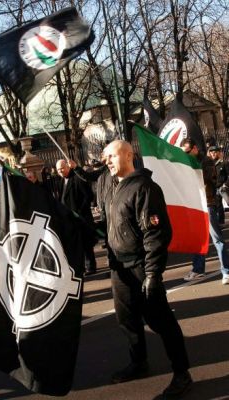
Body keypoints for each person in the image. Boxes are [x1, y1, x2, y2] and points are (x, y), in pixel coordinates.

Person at [102, 140, 192, 398]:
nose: (106, 160)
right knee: (127, 320)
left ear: (129, 155)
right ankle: (139, 362)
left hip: (141, 266)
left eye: (112, 155)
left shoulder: (144, 187)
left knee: (161, 321)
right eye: (105, 156)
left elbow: (155, 234)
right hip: (119, 269)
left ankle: (182, 374)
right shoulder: (115, 187)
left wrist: (153, 273)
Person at [180, 138, 229, 285]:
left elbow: (210, 179)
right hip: (196, 204)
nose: (186, 155)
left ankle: (226, 271)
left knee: (216, 238)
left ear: (195, 149)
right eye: (184, 153)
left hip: (207, 203)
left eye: (188, 152)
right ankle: (198, 270)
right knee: (198, 239)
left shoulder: (206, 161)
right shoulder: (189, 161)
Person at [56, 159, 97, 275]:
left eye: (62, 168)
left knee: (86, 244)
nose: (60, 171)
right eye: (58, 170)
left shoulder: (77, 178)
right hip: (69, 219)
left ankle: (90, 266)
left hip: (81, 217)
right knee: (75, 244)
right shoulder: (60, 182)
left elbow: (88, 196)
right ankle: (80, 267)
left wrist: (79, 211)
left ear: (68, 167)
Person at [208, 145, 229, 224]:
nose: (213, 154)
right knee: (219, 206)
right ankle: (221, 223)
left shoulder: (224, 163)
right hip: (214, 188)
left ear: (218, 153)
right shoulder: (209, 165)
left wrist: (225, 185)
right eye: (211, 152)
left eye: (215, 152)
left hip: (223, 188)